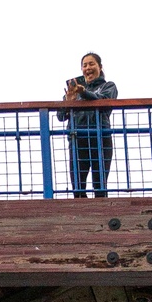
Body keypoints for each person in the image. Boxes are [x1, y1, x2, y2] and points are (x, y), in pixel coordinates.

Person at [56, 53, 118, 198]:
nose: (87, 68)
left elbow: (103, 102)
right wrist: (68, 102)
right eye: (84, 65)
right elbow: (60, 116)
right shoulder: (75, 91)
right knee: (78, 187)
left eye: (91, 64)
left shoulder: (108, 86)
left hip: (100, 138)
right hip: (78, 139)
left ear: (100, 67)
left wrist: (83, 92)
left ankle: (101, 217)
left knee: (100, 186)